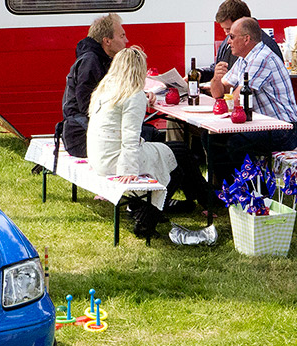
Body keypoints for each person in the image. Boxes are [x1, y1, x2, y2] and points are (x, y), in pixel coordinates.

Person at [86, 47, 208, 236]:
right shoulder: (132, 95)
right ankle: (147, 219)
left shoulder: (105, 90)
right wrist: (129, 170)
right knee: (176, 163)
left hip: (100, 156)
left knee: (179, 152)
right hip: (117, 159)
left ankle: (200, 200)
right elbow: (130, 135)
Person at [209, 17, 297, 169]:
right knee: (212, 139)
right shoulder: (244, 59)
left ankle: (255, 191)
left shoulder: (261, 58)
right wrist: (216, 78)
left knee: (237, 143)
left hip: (286, 129)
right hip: (263, 125)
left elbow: (238, 100)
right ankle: (227, 189)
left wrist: (226, 92)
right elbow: (218, 94)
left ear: (246, 39)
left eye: (231, 37)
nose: (228, 42)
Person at [61, 13, 128, 157]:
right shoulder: (91, 61)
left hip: (88, 132)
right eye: (122, 36)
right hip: (81, 137)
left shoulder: (102, 59)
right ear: (107, 41)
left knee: (146, 134)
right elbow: (87, 106)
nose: (126, 40)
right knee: (147, 137)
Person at [199, 0, 282, 83]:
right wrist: (201, 74)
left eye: (229, 29)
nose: (226, 35)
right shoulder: (231, 46)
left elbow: (242, 90)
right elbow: (221, 71)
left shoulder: (265, 50)